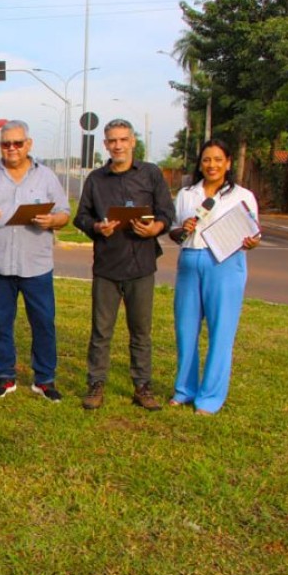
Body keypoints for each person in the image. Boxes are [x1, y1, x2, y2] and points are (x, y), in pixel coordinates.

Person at [73, 118, 176, 411]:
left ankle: (142, 387)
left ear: (132, 142)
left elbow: (167, 212)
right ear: (105, 144)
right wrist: (96, 227)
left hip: (141, 265)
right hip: (107, 265)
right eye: (112, 141)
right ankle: (96, 384)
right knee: (101, 332)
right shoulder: (96, 179)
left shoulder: (151, 174)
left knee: (141, 331)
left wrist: (156, 228)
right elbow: (81, 216)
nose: (118, 145)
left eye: (123, 140)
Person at [0, 120, 70, 402]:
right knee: (1, 322)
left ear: (28, 144)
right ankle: (4, 376)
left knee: (43, 322)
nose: (12, 148)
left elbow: (64, 213)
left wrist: (52, 221)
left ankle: (44, 379)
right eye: (6, 144)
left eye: (17, 143)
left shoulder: (46, 176)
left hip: (36, 264)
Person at [169, 139, 261, 415]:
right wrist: (182, 228)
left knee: (221, 332)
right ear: (200, 163)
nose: (212, 165)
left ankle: (209, 397)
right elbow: (174, 231)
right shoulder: (187, 194)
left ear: (228, 163)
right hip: (190, 262)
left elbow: (253, 233)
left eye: (218, 160)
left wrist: (252, 242)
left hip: (225, 264)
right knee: (185, 330)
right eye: (207, 159)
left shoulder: (242, 196)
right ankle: (184, 390)